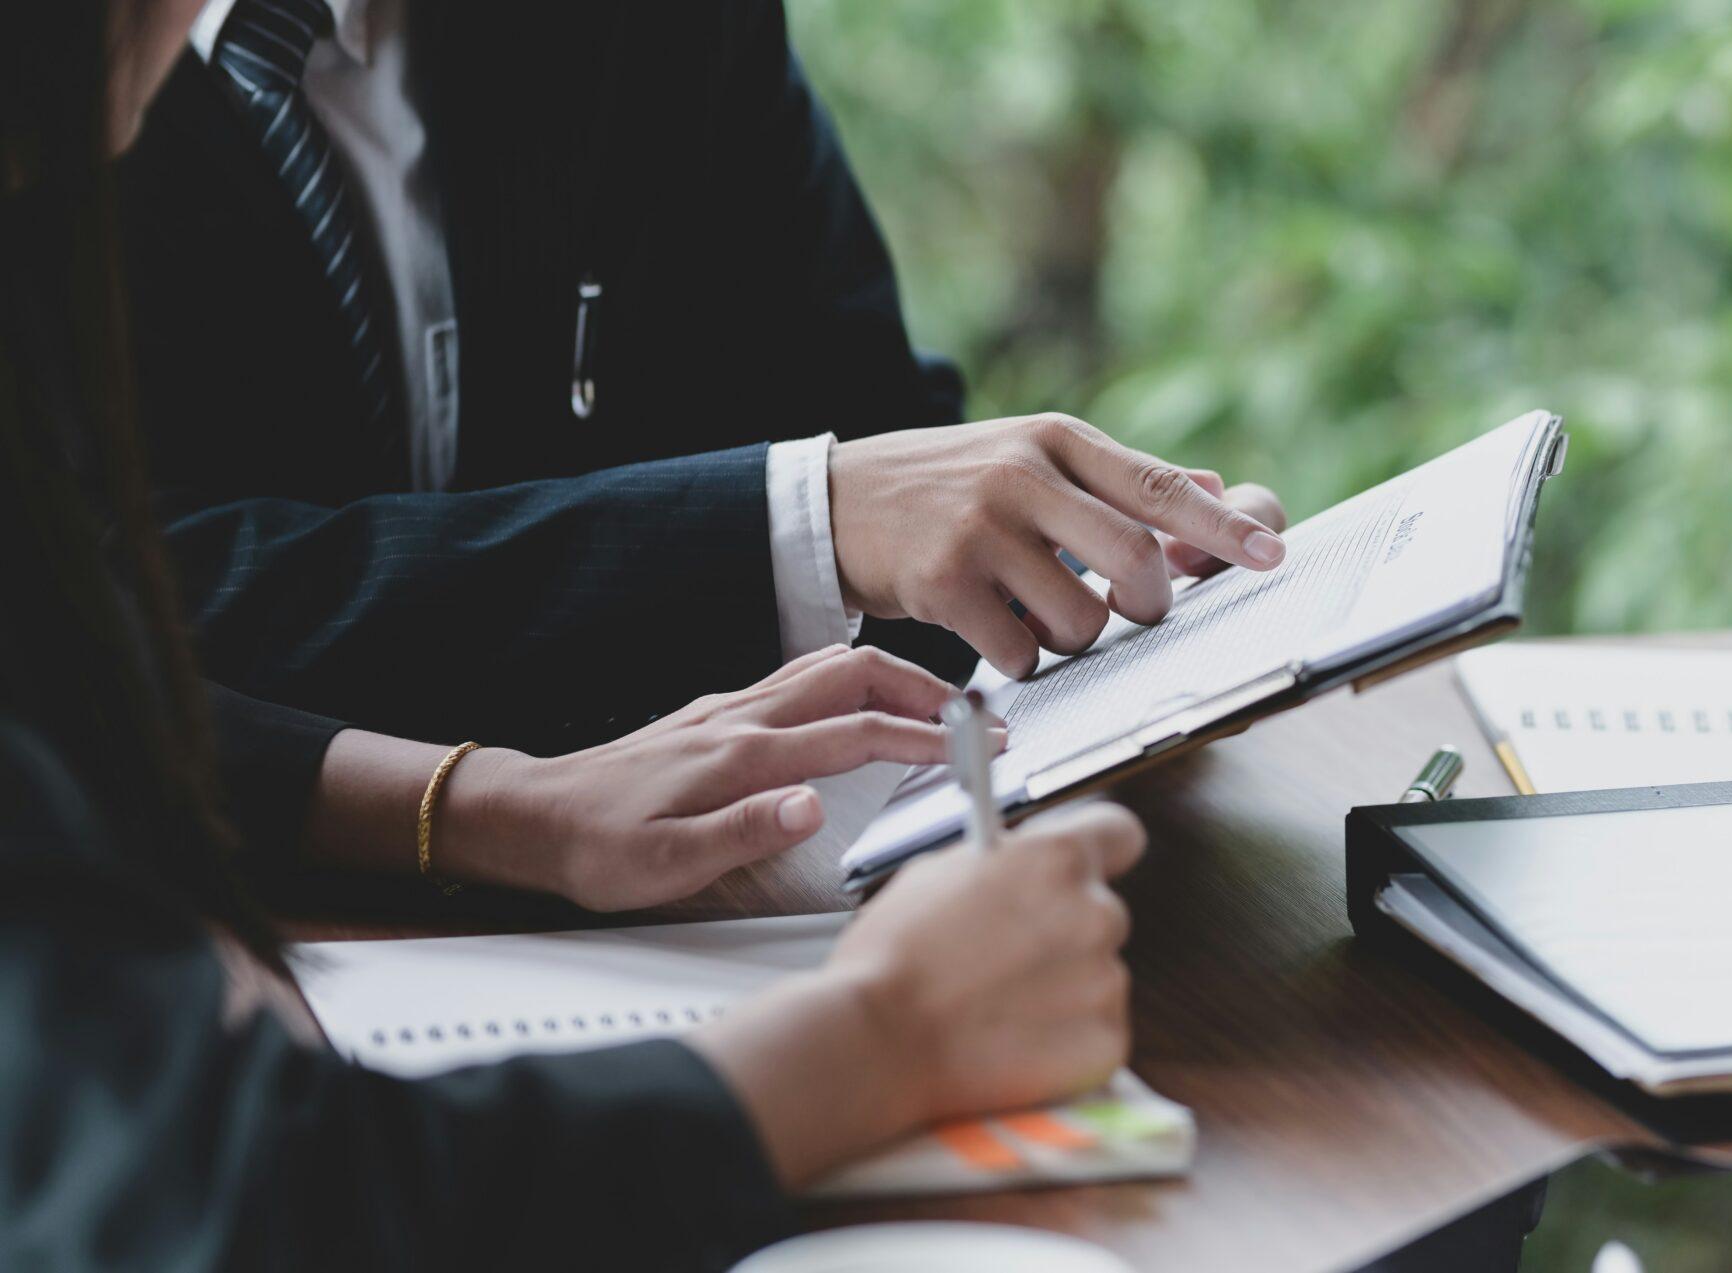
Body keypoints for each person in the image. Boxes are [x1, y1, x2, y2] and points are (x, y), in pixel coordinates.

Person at [2, 3, 1146, 1265]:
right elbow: (240, 1204)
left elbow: (881, 465)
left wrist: (1114, 611)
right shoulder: (76, 140)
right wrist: (881, 1035)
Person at [116, 0, 1293, 768]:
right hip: (181, 926)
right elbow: (129, 607)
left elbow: (868, 430)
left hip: (680, 904)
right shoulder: (61, 87)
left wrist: (1092, 584)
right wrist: (792, 525)